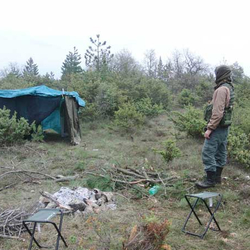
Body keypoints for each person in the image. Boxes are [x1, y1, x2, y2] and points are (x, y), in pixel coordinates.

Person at [196, 65, 235, 188]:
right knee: (220, 152)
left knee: (207, 152)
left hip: (217, 127)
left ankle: (210, 180)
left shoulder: (221, 90)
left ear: (220, 74)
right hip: (225, 127)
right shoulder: (229, 88)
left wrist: (210, 128)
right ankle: (217, 178)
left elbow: (218, 112)